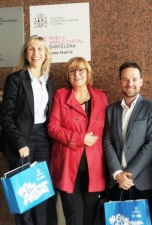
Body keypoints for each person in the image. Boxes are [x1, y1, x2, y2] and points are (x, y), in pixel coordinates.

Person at [0, 35, 57, 225]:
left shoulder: (48, 81)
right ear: (25, 53)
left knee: (40, 191)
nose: (36, 53)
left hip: (43, 139)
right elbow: (5, 116)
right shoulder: (15, 79)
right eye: (31, 49)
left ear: (46, 54)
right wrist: (20, 143)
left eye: (40, 49)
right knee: (24, 193)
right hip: (21, 140)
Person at [48, 57, 108, 225]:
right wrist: (81, 138)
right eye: (72, 71)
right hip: (67, 165)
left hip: (95, 166)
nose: (77, 74)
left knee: (90, 218)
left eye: (81, 70)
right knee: (74, 219)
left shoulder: (101, 98)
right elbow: (52, 127)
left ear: (88, 73)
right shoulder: (61, 95)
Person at [103, 61, 152, 225]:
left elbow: (151, 146)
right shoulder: (110, 110)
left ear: (141, 81)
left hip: (142, 183)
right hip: (116, 184)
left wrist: (128, 175)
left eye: (134, 79)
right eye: (126, 79)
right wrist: (117, 174)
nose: (130, 84)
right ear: (120, 81)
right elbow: (107, 142)